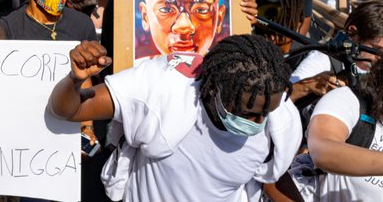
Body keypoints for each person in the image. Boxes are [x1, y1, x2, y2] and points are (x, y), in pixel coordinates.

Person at [50, 35, 301, 201]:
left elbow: (270, 178)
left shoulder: (277, 122)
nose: (258, 123)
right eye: (248, 113)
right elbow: (68, 110)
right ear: (214, 90)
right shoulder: (163, 89)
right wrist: (75, 79)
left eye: (265, 114)